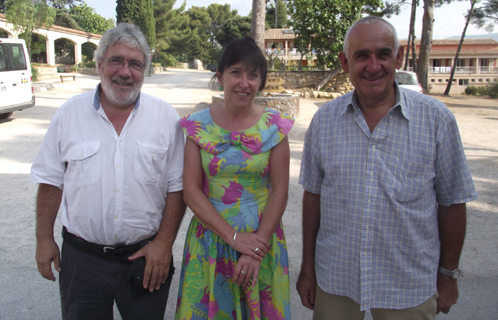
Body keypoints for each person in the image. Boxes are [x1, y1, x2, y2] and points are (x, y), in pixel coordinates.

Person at [297, 16, 478, 320]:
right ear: (344, 62)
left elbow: (452, 202)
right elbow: (313, 197)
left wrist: (448, 276)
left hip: (407, 284)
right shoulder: (324, 121)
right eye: (361, 56)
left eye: (383, 54)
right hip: (336, 277)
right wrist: (307, 268)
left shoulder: (437, 121)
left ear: (399, 57)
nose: (373, 65)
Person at [29, 23, 186, 320]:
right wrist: (44, 239)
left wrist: (164, 244)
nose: (125, 72)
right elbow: (51, 180)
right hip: (81, 261)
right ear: (100, 64)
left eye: (135, 64)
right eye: (116, 60)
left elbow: (177, 188)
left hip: (146, 260)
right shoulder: (68, 114)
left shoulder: (165, 117)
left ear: (145, 71)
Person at [175, 37, 294, 320]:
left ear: (261, 82)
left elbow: (280, 191)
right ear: (220, 76)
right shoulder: (198, 125)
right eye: (236, 72)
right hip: (210, 242)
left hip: (261, 244)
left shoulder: (275, 126)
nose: (244, 83)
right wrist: (234, 238)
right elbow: (191, 191)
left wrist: (254, 248)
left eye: (253, 75)